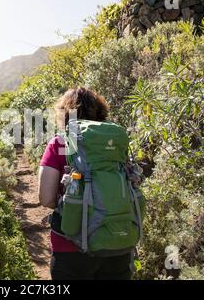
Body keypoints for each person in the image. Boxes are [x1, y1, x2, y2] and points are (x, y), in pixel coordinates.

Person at [38, 87, 133, 280]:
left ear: (65, 113)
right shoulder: (115, 144)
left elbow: (46, 198)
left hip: (70, 247)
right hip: (117, 240)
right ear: (100, 111)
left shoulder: (60, 144)